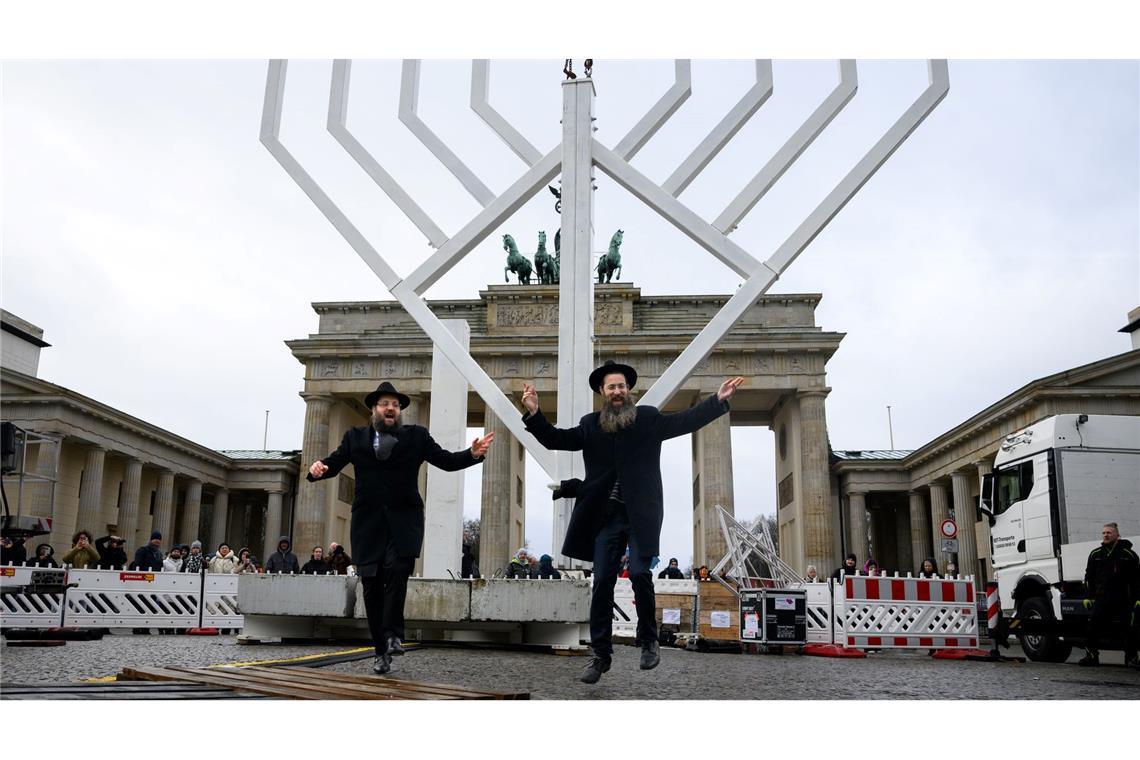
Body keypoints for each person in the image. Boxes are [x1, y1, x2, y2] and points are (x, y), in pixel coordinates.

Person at [520, 360, 743, 684]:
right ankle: (600, 655)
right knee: (602, 585)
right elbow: (555, 439)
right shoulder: (590, 425)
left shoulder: (648, 419)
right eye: (611, 387)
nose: (617, 391)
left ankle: (649, 641)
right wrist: (534, 413)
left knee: (640, 573)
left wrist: (717, 401)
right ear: (602, 391)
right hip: (605, 518)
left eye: (622, 386)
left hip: (641, 515)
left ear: (628, 391)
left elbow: (684, 421)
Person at [306, 380, 493, 675]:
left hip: (404, 521)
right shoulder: (354, 437)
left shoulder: (416, 436)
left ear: (400, 410)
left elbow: (444, 460)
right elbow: (333, 463)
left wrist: (472, 454)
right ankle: (381, 650)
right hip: (367, 524)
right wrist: (317, 470)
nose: (390, 408)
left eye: (395, 404)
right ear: (374, 409)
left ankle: (393, 634)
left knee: (395, 571)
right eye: (385, 403)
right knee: (371, 586)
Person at [1078, 522, 1138, 667]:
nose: (1105, 535)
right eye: (1104, 533)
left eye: (1109, 533)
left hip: (1123, 599)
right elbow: (1089, 578)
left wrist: (1138, 599)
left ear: (1117, 535)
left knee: (1129, 627)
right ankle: (1092, 656)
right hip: (1102, 599)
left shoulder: (1128, 555)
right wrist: (1087, 596)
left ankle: (1131, 658)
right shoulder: (1095, 554)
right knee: (1092, 625)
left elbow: (1137, 579)